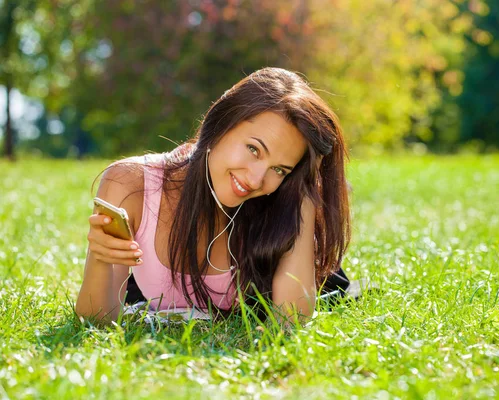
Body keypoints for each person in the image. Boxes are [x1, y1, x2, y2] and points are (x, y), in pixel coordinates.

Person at [75, 67, 351, 324]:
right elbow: (96, 320)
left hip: (281, 270)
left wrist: (301, 200)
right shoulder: (129, 183)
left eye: (279, 169)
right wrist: (100, 259)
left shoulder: (278, 201)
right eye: (254, 149)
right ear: (220, 124)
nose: (255, 180)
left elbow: (291, 320)